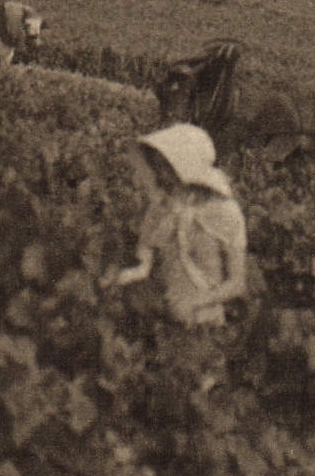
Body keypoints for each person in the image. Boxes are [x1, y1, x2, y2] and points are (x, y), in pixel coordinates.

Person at [101, 124, 248, 326]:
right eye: (156, 165)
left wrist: (197, 303)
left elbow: (236, 284)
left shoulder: (225, 212)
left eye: (165, 166)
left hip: (204, 318)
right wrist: (123, 276)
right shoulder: (160, 209)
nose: (160, 174)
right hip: (164, 314)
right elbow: (144, 264)